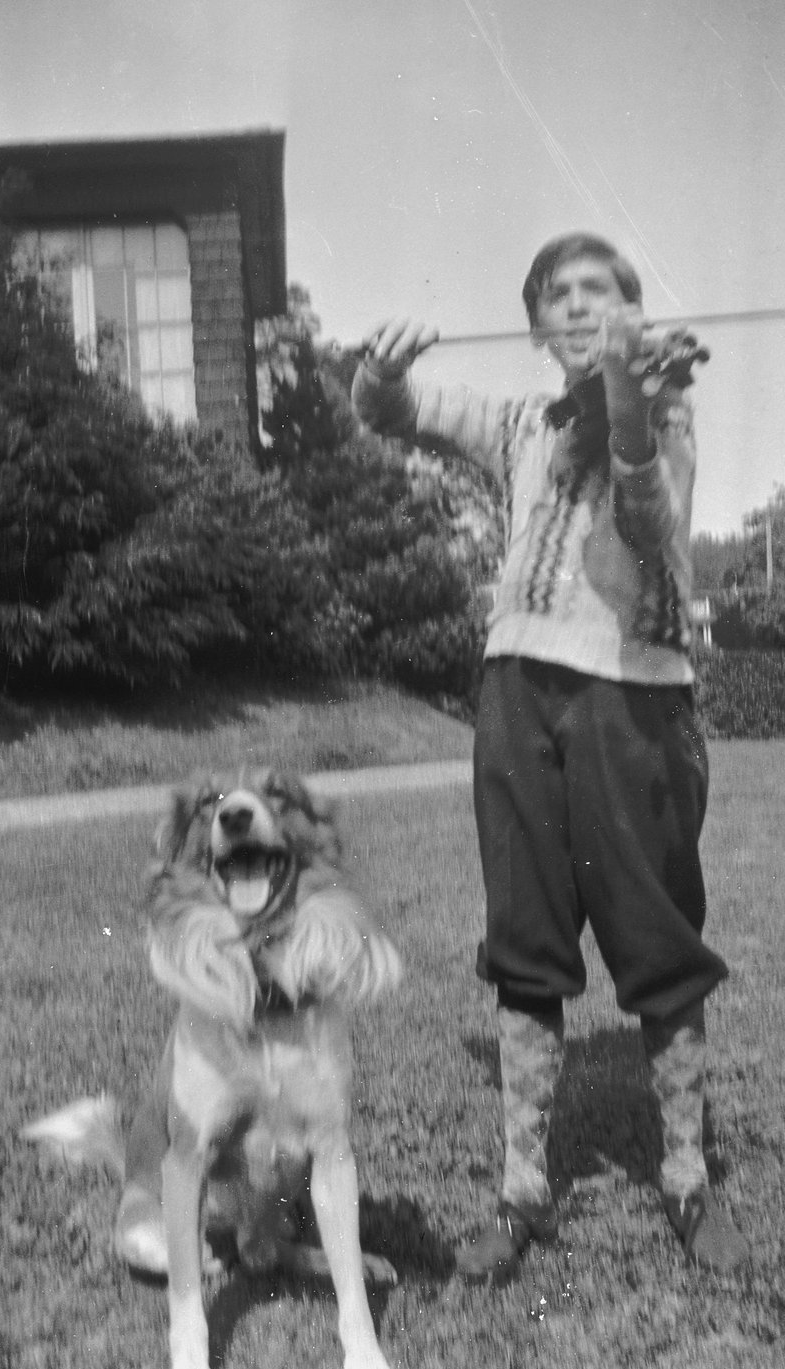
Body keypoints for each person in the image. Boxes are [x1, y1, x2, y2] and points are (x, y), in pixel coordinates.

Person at [351, 232, 749, 1279]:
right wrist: (378, 369)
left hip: (636, 697)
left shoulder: (664, 410)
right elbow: (391, 413)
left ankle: (685, 1179)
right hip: (514, 688)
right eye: (557, 298)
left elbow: (643, 514)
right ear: (534, 328)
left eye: (599, 292)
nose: (577, 307)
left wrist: (627, 393)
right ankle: (521, 1190)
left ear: (629, 308)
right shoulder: (520, 422)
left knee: (657, 940)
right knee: (524, 936)